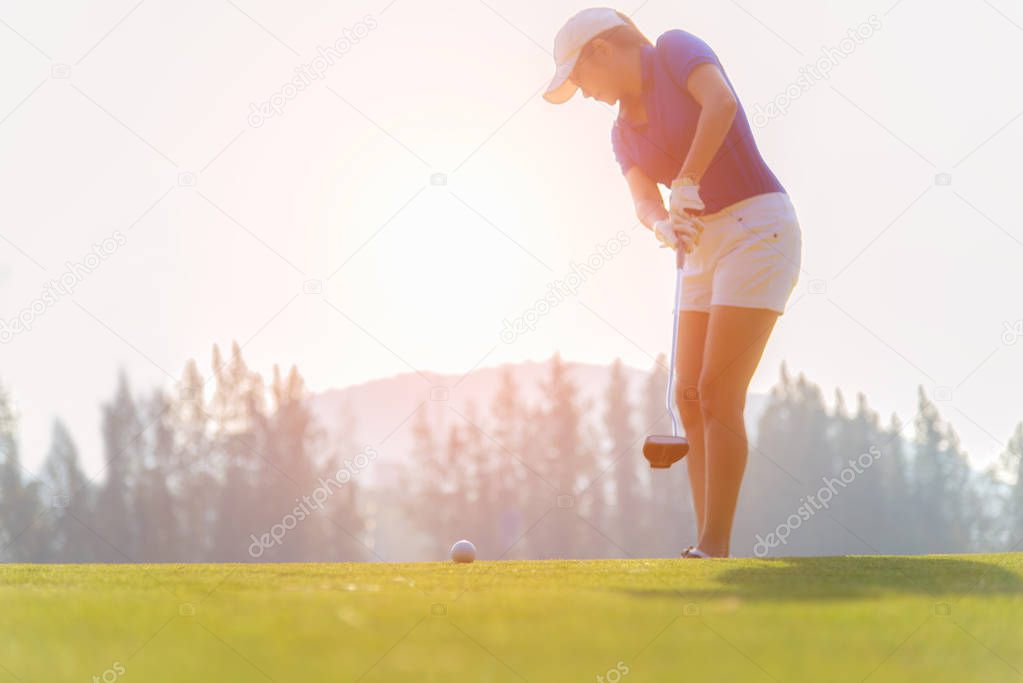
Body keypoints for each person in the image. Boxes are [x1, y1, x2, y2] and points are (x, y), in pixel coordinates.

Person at [544, 8, 802, 559]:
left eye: (579, 77)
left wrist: (685, 178)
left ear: (602, 53)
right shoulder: (620, 133)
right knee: (689, 395)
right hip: (699, 242)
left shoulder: (674, 50)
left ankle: (714, 545)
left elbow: (722, 103)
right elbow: (642, 198)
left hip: (757, 227)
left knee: (716, 391)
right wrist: (662, 222)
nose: (583, 93)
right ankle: (710, 544)